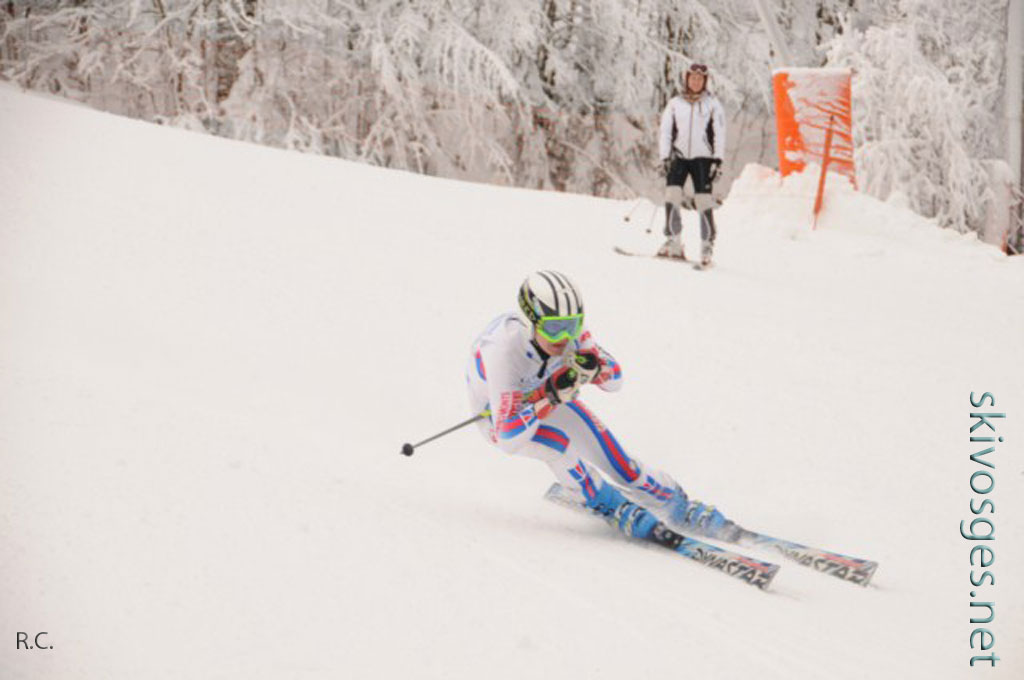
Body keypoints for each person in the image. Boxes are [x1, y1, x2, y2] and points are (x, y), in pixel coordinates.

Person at [465, 270, 736, 541]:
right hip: (502, 419)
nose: (564, 337)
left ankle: (676, 504)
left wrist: (595, 369)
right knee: (558, 446)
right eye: (554, 328)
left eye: (572, 325)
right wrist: (550, 397)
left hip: (549, 398)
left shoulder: (570, 334)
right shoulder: (502, 350)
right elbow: (508, 438)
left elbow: (615, 380)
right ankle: (607, 503)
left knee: (622, 464)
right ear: (529, 322)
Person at [657, 63, 726, 266]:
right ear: (686, 79)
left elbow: (719, 134)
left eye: (700, 79)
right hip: (678, 157)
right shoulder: (675, 104)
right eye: (692, 78)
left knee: (703, 200)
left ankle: (706, 245)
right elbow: (666, 132)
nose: (696, 82)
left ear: (705, 81)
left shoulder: (713, 105)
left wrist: (717, 160)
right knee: (672, 196)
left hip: (703, 159)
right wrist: (664, 157)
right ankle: (673, 241)